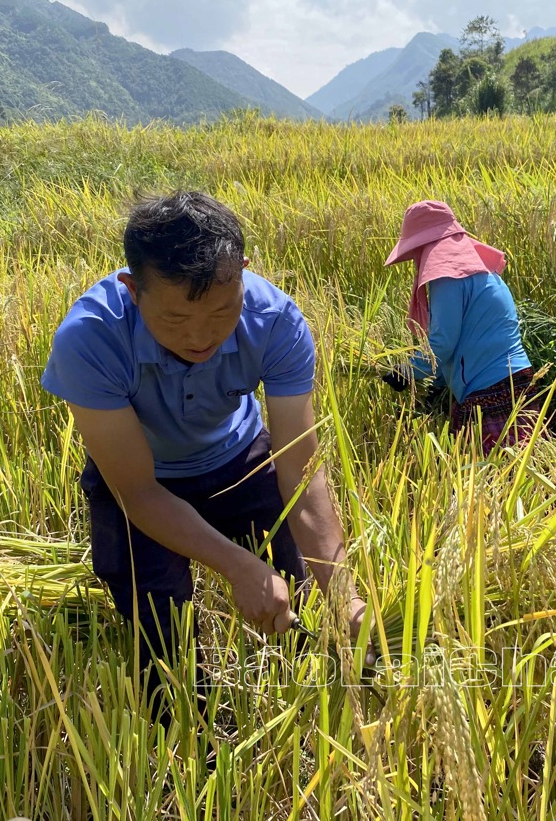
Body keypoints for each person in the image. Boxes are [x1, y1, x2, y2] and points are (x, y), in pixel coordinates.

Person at [41, 191, 369, 714]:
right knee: (159, 631)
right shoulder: (90, 340)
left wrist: (343, 592)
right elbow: (139, 492)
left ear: (243, 271)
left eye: (222, 311)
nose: (201, 337)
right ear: (131, 290)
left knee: (306, 594)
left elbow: (302, 477)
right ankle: (186, 730)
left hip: (238, 458)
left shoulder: (277, 322)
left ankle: (326, 697)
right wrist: (238, 566)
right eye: (174, 319)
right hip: (146, 479)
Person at [381, 199, 539, 451]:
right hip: (515, 378)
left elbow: (443, 342)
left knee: (487, 478)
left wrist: (409, 371)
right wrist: (437, 384)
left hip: (487, 387)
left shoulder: (447, 277)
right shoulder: (479, 270)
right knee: (522, 470)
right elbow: (466, 338)